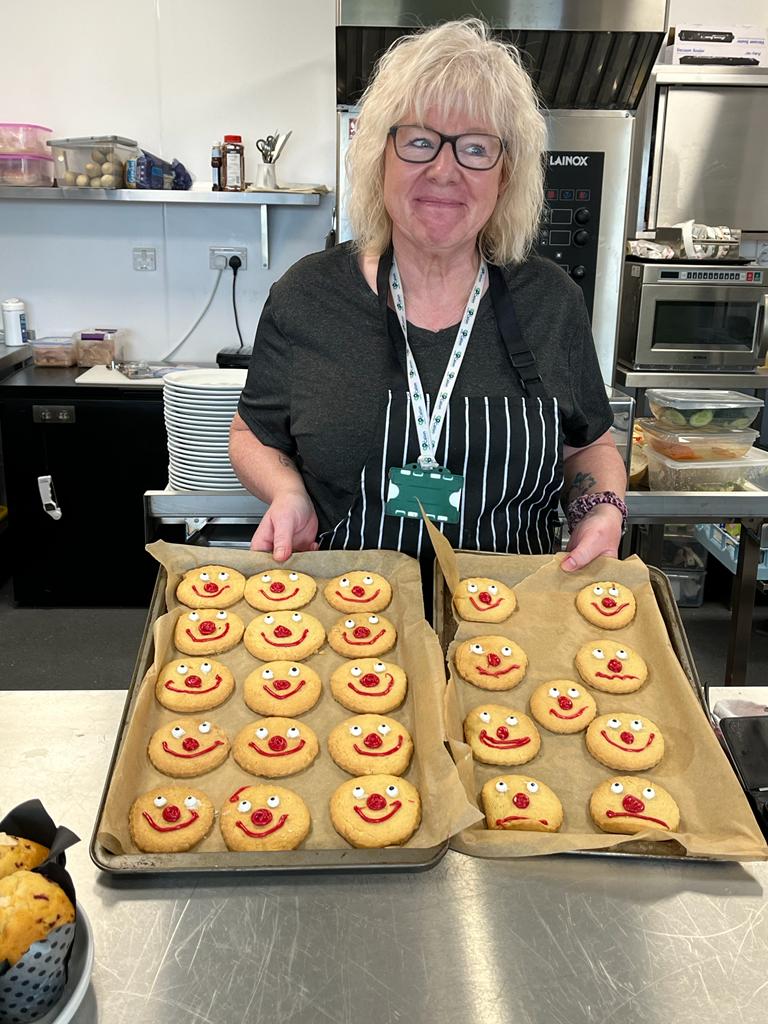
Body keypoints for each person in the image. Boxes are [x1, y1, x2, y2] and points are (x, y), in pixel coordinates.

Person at [231, 18, 627, 572]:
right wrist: (286, 492)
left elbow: (589, 446)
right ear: (380, 157)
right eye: (419, 142)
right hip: (345, 621)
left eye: (475, 148)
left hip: (516, 623)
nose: (444, 171)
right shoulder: (308, 295)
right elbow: (253, 432)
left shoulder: (551, 300)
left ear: (504, 173)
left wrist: (600, 510)